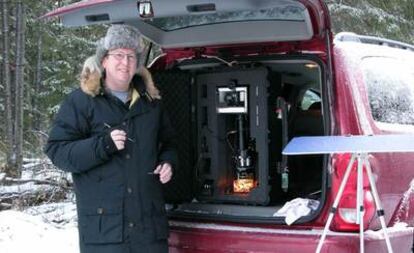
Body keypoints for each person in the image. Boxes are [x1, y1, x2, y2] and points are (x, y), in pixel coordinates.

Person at [45, 24, 177, 253]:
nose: (124, 63)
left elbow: (169, 143)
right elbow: (57, 151)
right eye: (118, 55)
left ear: (137, 64)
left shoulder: (151, 103)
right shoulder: (82, 102)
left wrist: (168, 162)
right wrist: (102, 145)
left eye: (130, 56)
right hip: (105, 234)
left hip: (149, 233)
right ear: (104, 60)